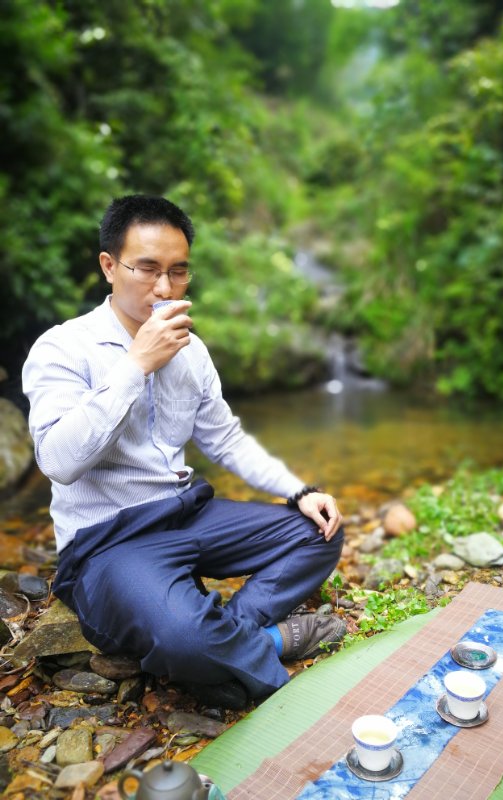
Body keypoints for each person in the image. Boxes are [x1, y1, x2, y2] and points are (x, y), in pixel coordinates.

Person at [22, 194, 345, 709]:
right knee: (185, 637)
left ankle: (222, 637)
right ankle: (266, 642)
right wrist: (136, 365)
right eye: (148, 269)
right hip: (109, 541)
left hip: (186, 514)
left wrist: (300, 491)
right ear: (109, 266)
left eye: (178, 272)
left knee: (319, 529)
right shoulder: (62, 349)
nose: (164, 288)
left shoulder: (192, 350)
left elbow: (226, 439)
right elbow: (59, 462)